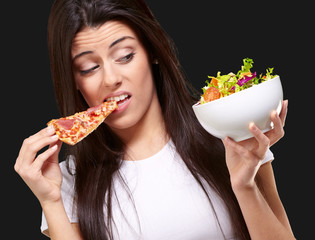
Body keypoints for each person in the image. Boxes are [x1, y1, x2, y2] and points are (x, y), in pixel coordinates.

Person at [14, 0, 295, 239]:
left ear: (153, 53)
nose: (111, 79)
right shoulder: (66, 181)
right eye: (89, 68)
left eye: (125, 56)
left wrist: (244, 186)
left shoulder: (228, 131)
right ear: (74, 80)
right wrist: (51, 202)